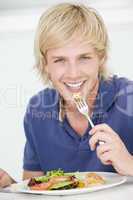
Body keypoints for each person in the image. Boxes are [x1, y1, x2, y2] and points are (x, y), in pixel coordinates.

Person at [1, 2, 133, 187]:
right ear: (45, 64)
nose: (73, 73)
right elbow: (35, 189)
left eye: (84, 58)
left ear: (101, 57)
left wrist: (129, 163)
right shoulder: (37, 108)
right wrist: (9, 186)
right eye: (60, 60)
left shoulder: (129, 98)